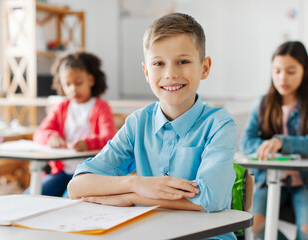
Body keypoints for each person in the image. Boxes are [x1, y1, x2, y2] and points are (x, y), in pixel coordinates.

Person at [68, 13, 238, 239]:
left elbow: (210, 199)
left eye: (183, 61)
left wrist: (132, 197)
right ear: (147, 72)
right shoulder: (137, 123)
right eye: (158, 63)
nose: (171, 74)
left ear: (204, 67)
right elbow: (77, 187)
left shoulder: (219, 124)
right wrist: (136, 183)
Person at [240, 41, 308, 240]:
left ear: (304, 70)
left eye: (291, 71)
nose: (282, 78)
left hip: (302, 183)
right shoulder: (263, 103)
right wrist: (268, 147)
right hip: (266, 180)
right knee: (254, 227)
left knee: (305, 231)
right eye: (276, 71)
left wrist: (281, 142)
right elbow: (246, 142)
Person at [26, 51, 117, 197]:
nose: (73, 89)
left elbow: (110, 138)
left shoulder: (101, 107)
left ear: (91, 80)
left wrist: (86, 143)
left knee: (67, 202)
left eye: (78, 83)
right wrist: (51, 137)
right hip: (62, 173)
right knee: (30, 196)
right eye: (68, 85)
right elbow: (40, 133)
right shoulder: (61, 107)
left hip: (88, 175)